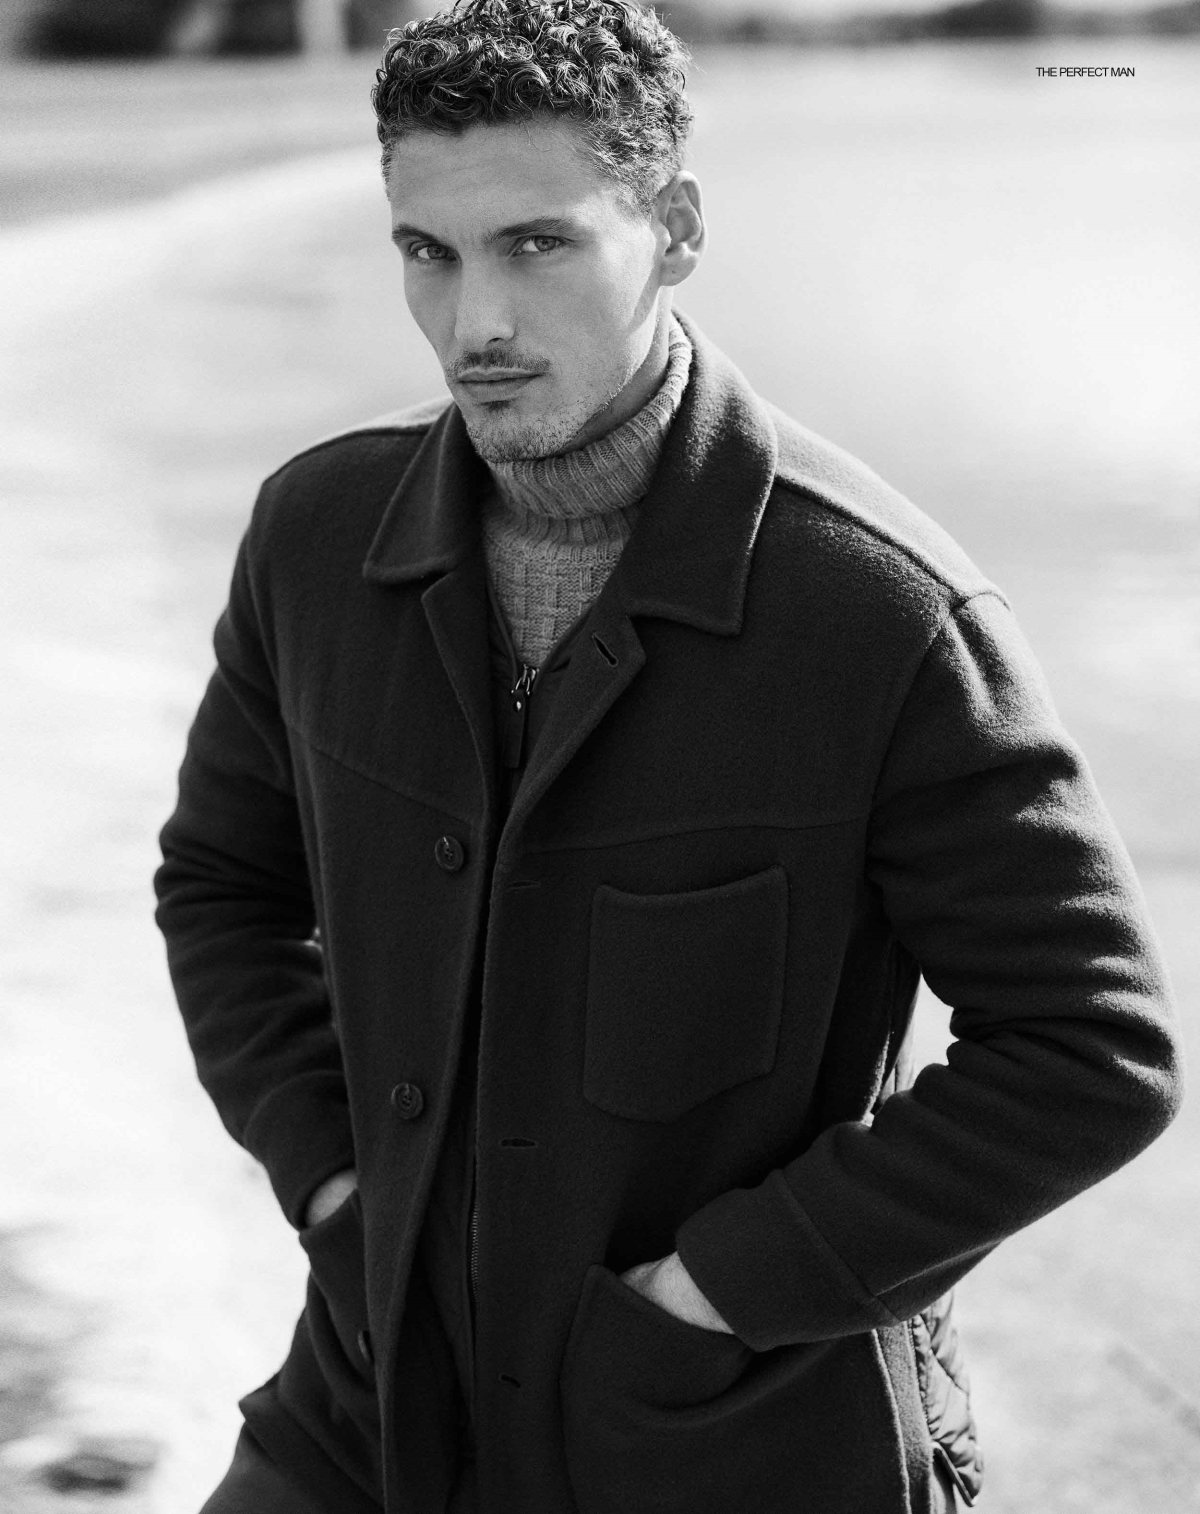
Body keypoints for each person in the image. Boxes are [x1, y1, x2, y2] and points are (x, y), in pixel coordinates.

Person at [154, 1, 1184, 1510]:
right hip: (371, 1407)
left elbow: (1094, 1048)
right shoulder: (313, 538)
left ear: (678, 228)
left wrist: (721, 1290)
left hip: (733, 1438)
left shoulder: (882, 614)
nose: (475, 324)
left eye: (538, 245)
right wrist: (329, 1177)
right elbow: (220, 886)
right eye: (428, 252)